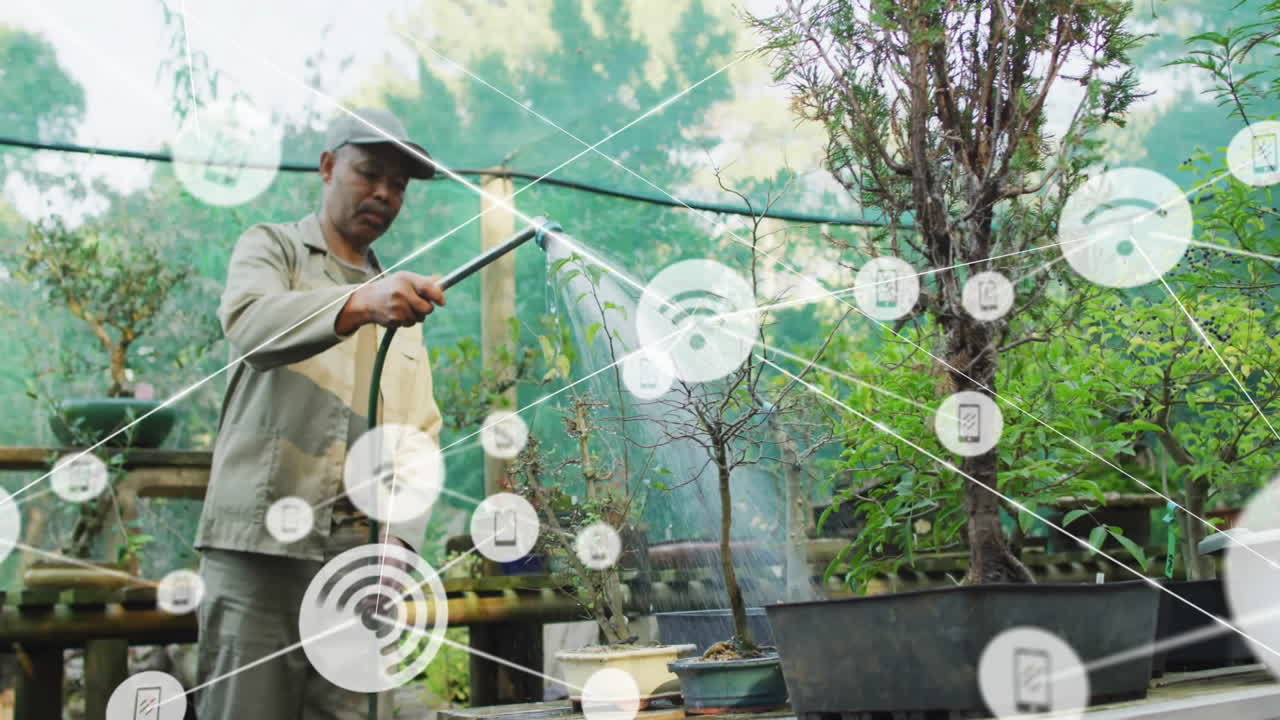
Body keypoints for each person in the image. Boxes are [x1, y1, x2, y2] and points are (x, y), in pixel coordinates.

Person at [193, 107, 446, 719]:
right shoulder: (273, 248)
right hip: (260, 553)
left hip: (357, 569)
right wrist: (360, 302)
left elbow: (419, 435)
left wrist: (401, 545)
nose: (384, 193)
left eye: (399, 185)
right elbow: (250, 324)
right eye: (369, 173)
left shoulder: (401, 306)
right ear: (329, 166)